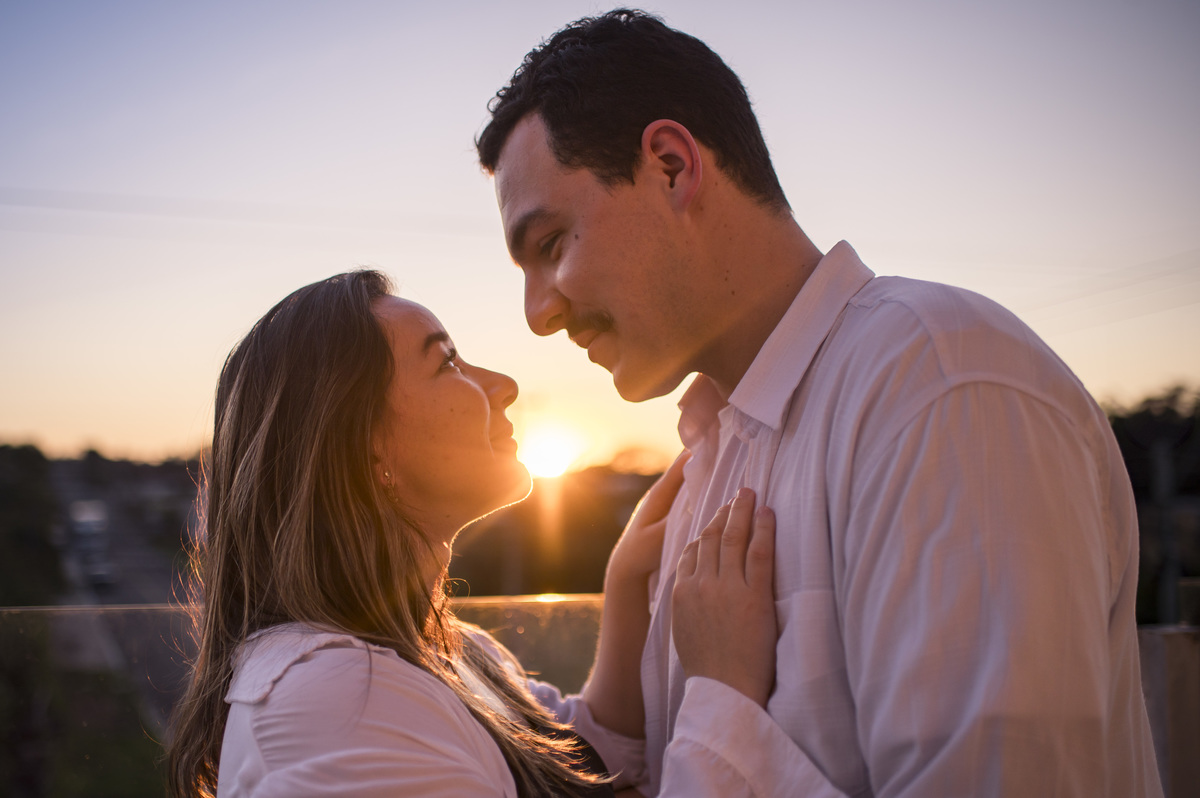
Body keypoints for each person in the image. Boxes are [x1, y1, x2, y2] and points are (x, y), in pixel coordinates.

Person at [477, 8, 1162, 797]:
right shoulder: (708, 466)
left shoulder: (943, 389)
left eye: (552, 243)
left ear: (672, 166)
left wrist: (726, 714)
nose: (538, 314)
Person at [166, 269, 780, 798]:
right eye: (447, 362)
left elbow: (581, 760)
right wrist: (724, 691)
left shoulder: (452, 652)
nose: (503, 386)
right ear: (363, 443)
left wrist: (623, 583)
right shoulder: (334, 698)